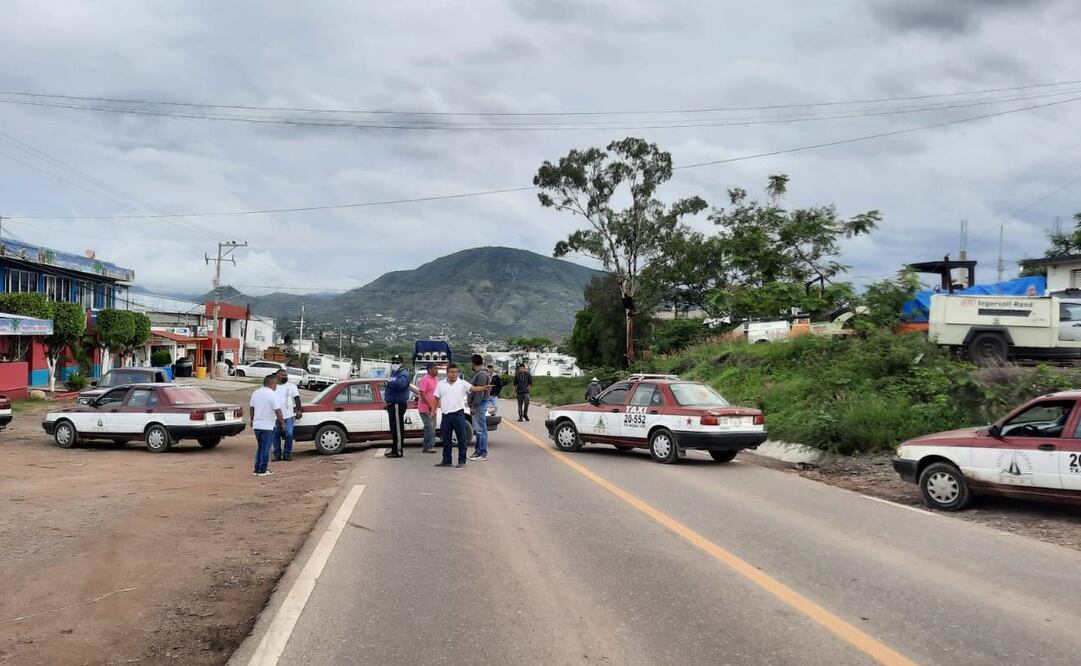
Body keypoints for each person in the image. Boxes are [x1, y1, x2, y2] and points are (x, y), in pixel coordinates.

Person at [433, 363, 471, 468]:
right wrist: (433, 410)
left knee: (461, 438)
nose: (454, 374)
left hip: (458, 414)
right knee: (446, 439)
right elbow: (436, 398)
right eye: (452, 372)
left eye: (456, 372)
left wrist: (484, 388)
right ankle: (446, 460)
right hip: (446, 415)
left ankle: (462, 460)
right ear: (447, 373)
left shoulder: (462, 383)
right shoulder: (441, 384)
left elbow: (473, 388)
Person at [250, 375, 285, 477]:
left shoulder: (255, 393)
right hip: (267, 425)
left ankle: (257, 468)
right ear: (272, 384)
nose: (276, 386)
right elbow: (278, 410)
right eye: (275, 384)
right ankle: (262, 470)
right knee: (266, 448)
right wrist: (282, 423)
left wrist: (252, 419)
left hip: (257, 425)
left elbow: (252, 408)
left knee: (260, 447)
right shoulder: (272, 395)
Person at [383, 354, 411, 458]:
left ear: (401, 363)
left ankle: (398, 451)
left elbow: (401, 385)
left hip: (397, 404)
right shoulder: (394, 373)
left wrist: (389, 384)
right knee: (394, 429)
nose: (395, 364)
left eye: (397, 362)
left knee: (398, 429)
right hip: (392, 404)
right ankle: (394, 449)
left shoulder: (403, 374)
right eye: (393, 362)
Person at [272, 368, 303, 462]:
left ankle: (287, 454)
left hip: (288, 415)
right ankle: (277, 454)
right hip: (274, 416)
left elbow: (297, 399)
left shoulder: (292, 386)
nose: (285, 377)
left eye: (286, 375)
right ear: (277, 376)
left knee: (289, 434)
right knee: (275, 435)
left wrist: (299, 410)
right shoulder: (273, 387)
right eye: (283, 376)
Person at [468, 354, 493, 462]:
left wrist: (474, 405)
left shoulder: (482, 374)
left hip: (480, 404)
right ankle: (477, 451)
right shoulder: (480, 373)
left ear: (473, 363)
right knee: (478, 430)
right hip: (479, 404)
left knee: (481, 430)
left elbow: (480, 392)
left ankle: (482, 453)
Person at [417, 363, 439, 453]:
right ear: (430, 369)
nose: (437, 370)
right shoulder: (425, 379)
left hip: (433, 408)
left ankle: (426, 445)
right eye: (435, 368)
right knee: (430, 427)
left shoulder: (436, 379)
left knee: (431, 427)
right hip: (425, 408)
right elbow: (422, 393)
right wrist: (429, 404)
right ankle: (430, 445)